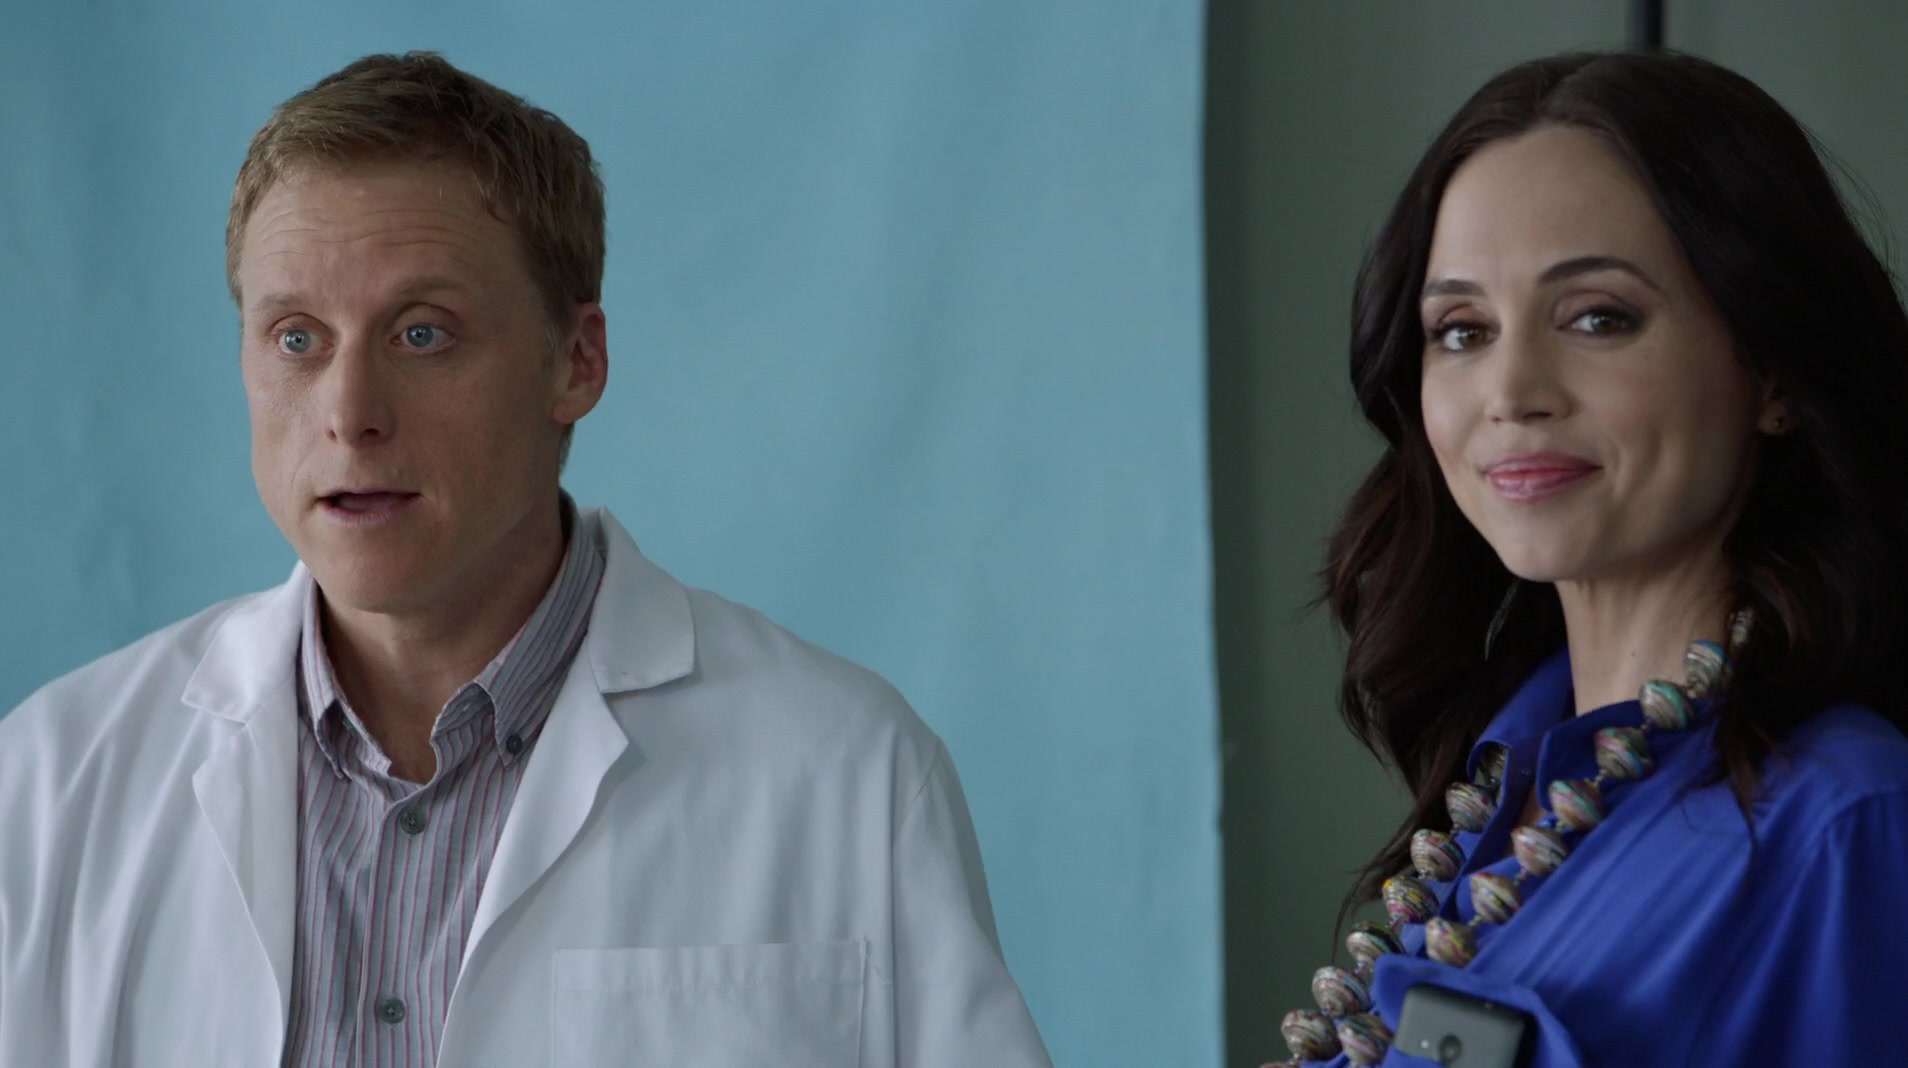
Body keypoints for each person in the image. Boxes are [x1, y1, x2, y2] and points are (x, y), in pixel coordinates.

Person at [0, 52, 1052, 1067]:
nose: (350, 414)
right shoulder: (49, 783)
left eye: (422, 334)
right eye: (297, 338)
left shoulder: (850, 773)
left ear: (577, 362)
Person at [1268, 51, 1908, 1067]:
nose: (1511, 390)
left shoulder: (1849, 822)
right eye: (1462, 330)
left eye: (1598, 317)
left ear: (1773, 374)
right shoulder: (1502, 786)